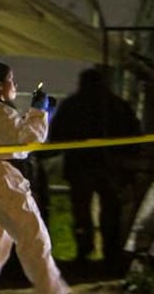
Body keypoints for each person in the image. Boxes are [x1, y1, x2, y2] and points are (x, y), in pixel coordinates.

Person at [0, 60, 97, 294]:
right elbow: (26, 141)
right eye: (12, 80)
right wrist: (38, 112)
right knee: (34, 236)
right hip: (2, 178)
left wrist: (40, 115)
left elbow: (15, 136)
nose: (15, 85)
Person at [48, 67, 142, 274]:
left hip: (83, 165)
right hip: (108, 166)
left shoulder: (74, 105)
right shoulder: (116, 105)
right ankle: (110, 252)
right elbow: (134, 135)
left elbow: (57, 135)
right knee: (109, 210)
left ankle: (86, 249)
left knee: (83, 211)